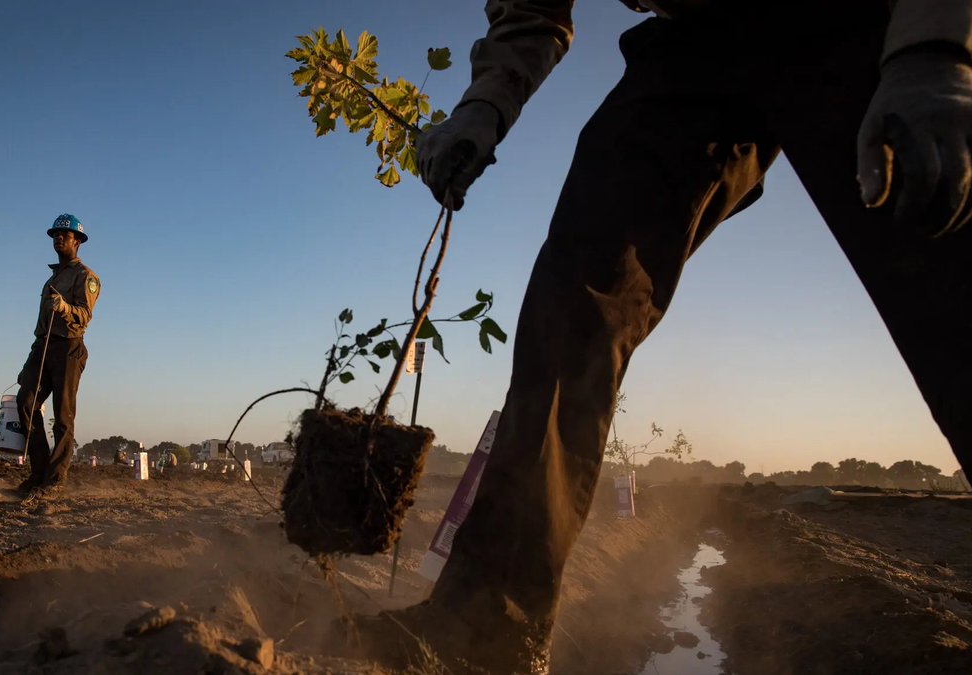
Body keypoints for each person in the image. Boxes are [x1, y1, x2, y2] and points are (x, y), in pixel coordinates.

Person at [363, 0, 972, 672]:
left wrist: (934, 49)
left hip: (864, 19)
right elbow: (532, 11)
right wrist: (484, 105)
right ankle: (481, 629)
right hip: (695, 40)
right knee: (579, 295)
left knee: (937, 211)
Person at [16, 214, 101, 501]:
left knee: (62, 415)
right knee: (25, 401)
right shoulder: (51, 278)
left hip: (69, 347)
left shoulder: (85, 277)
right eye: (55, 234)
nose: (59, 237)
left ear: (77, 242)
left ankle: (54, 479)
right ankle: (38, 472)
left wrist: (64, 307)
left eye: (65, 234)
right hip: (42, 346)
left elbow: (84, 316)